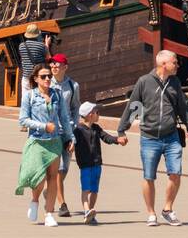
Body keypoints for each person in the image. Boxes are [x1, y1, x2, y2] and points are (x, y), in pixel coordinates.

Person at [117, 49, 188, 227]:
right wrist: (122, 130)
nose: (177, 65)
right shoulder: (144, 82)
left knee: (175, 173)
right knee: (149, 176)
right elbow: (134, 107)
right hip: (149, 138)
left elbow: (182, 109)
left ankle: (167, 209)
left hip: (171, 137)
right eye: (175, 62)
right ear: (164, 64)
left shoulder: (175, 82)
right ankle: (151, 213)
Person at [15, 65, 74, 226]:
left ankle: (49, 213)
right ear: (36, 79)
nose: (47, 79)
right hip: (37, 141)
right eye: (43, 76)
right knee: (39, 177)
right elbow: (23, 120)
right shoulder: (30, 96)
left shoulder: (57, 94)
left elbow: (64, 116)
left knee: (53, 177)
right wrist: (43, 126)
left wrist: (70, 138)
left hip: (54, 141)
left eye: (48, 76)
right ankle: (34, 201)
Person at [74, 101, 127, 224]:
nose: (99, 114)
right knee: (85, 189)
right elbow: (70, 141)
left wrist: (117, 140)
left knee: (94, 190)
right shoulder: (78, 130)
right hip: (85, 165)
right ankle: (86, 210)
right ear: (89, 114)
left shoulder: (96, 128)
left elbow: (105, 137)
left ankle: (91, 212)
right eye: (97, 112)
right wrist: (69, 145)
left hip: (97, 163)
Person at [49, 54, 81, 217]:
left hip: (68, 132)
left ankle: (51, 192)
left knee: (65, 169)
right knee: (58, 168)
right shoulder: (46, 84)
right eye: (52, 64)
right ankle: (62, 204)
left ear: (65, 67)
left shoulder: (73, 85)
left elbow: (76, 108)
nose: (54, 67)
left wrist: (74, 126)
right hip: (52, 132)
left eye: (58, 64)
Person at [17, 24, 47, 101]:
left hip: (26, 76)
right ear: (37, 34)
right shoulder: (41, 46)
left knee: (25, 98)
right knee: (38, 99)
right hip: (37, 76)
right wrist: (46, 45)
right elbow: (48, 57)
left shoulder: (21, 46)